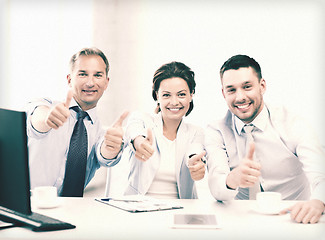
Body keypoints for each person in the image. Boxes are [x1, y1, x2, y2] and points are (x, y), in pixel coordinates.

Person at [206, 54, 325, 224]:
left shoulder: (293, 124)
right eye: (231, 90)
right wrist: (233, 178)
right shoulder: (216, 131)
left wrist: (318, 202)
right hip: (240, 222)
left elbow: (321, 175)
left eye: (247, 87)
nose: (240, 97)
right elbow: (216, 187)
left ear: (262, 86)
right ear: (223, 93)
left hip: (292, 219)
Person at [26, 47, 128, 197]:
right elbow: (36, 120)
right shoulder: (45, 105)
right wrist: (48, 119)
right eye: (82, 74)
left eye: (98, 75)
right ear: (69, 79)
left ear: (106, 83)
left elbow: (104, 155)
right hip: (28, 207)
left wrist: (112, 149)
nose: (90, 83)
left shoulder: (101, 133)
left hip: (70, 213)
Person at [122, 61, 206, 199]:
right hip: (138, 209)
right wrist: (139, 142)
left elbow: (195, 151)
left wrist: (195, 164)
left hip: (181, 211)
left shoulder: (196, 132)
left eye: (181, 95)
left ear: (191, 95)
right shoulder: (142, 119)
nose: (174, 102)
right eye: (167, 95)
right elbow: (134, 130)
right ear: (157, 96)